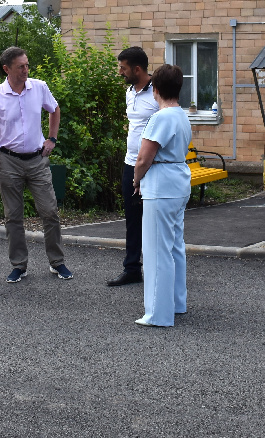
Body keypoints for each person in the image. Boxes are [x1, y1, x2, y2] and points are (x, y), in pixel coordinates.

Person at [0, 46, 73, 283]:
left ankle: (57, 262)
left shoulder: (39, 87)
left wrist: (52, 138)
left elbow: (54, 109)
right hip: (8, 160)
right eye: (20, 66)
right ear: (6, 69)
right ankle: (19, 265)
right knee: (13, 216)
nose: (26, 70)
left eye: (27, 65)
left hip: (37, 159)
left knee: (50, 211)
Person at [133, 64, 192, 327]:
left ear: (155, 89)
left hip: (161, 186)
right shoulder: (181, 115)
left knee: (157, 250)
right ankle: (177, 302)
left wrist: (136, 180)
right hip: (179, 182)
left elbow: (144, 158)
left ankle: (158, 313)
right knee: (175, 246)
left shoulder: (160, 117)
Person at [107, 46, 159, 287]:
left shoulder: (158, 92)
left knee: (154, 218)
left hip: (154, 166)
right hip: (131, 163)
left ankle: (158, 268)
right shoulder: (130, 91)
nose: (120, 72)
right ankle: (132, 269)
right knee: (132, 217)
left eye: (123, 68)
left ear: (137, 69)